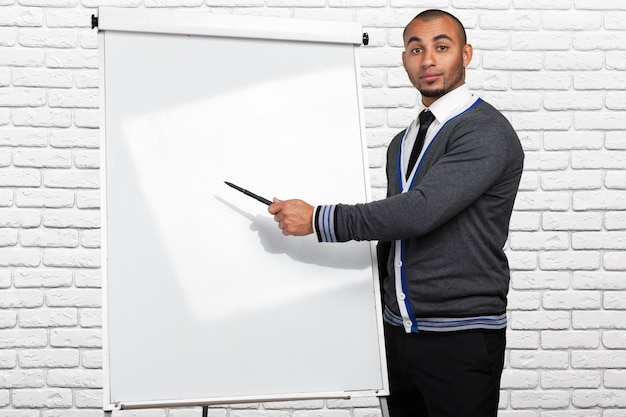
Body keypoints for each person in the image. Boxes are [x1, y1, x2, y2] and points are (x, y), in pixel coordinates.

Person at [268, 9, 524, 417]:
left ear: (466, 54)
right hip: (399, 332)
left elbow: (420, 212)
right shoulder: (401, 142)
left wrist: (319, 219)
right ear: (404, 59)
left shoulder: (483, 130)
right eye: (415, 49)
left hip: (460, 334)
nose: (428, 60)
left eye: (442, 47)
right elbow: (396, 237)